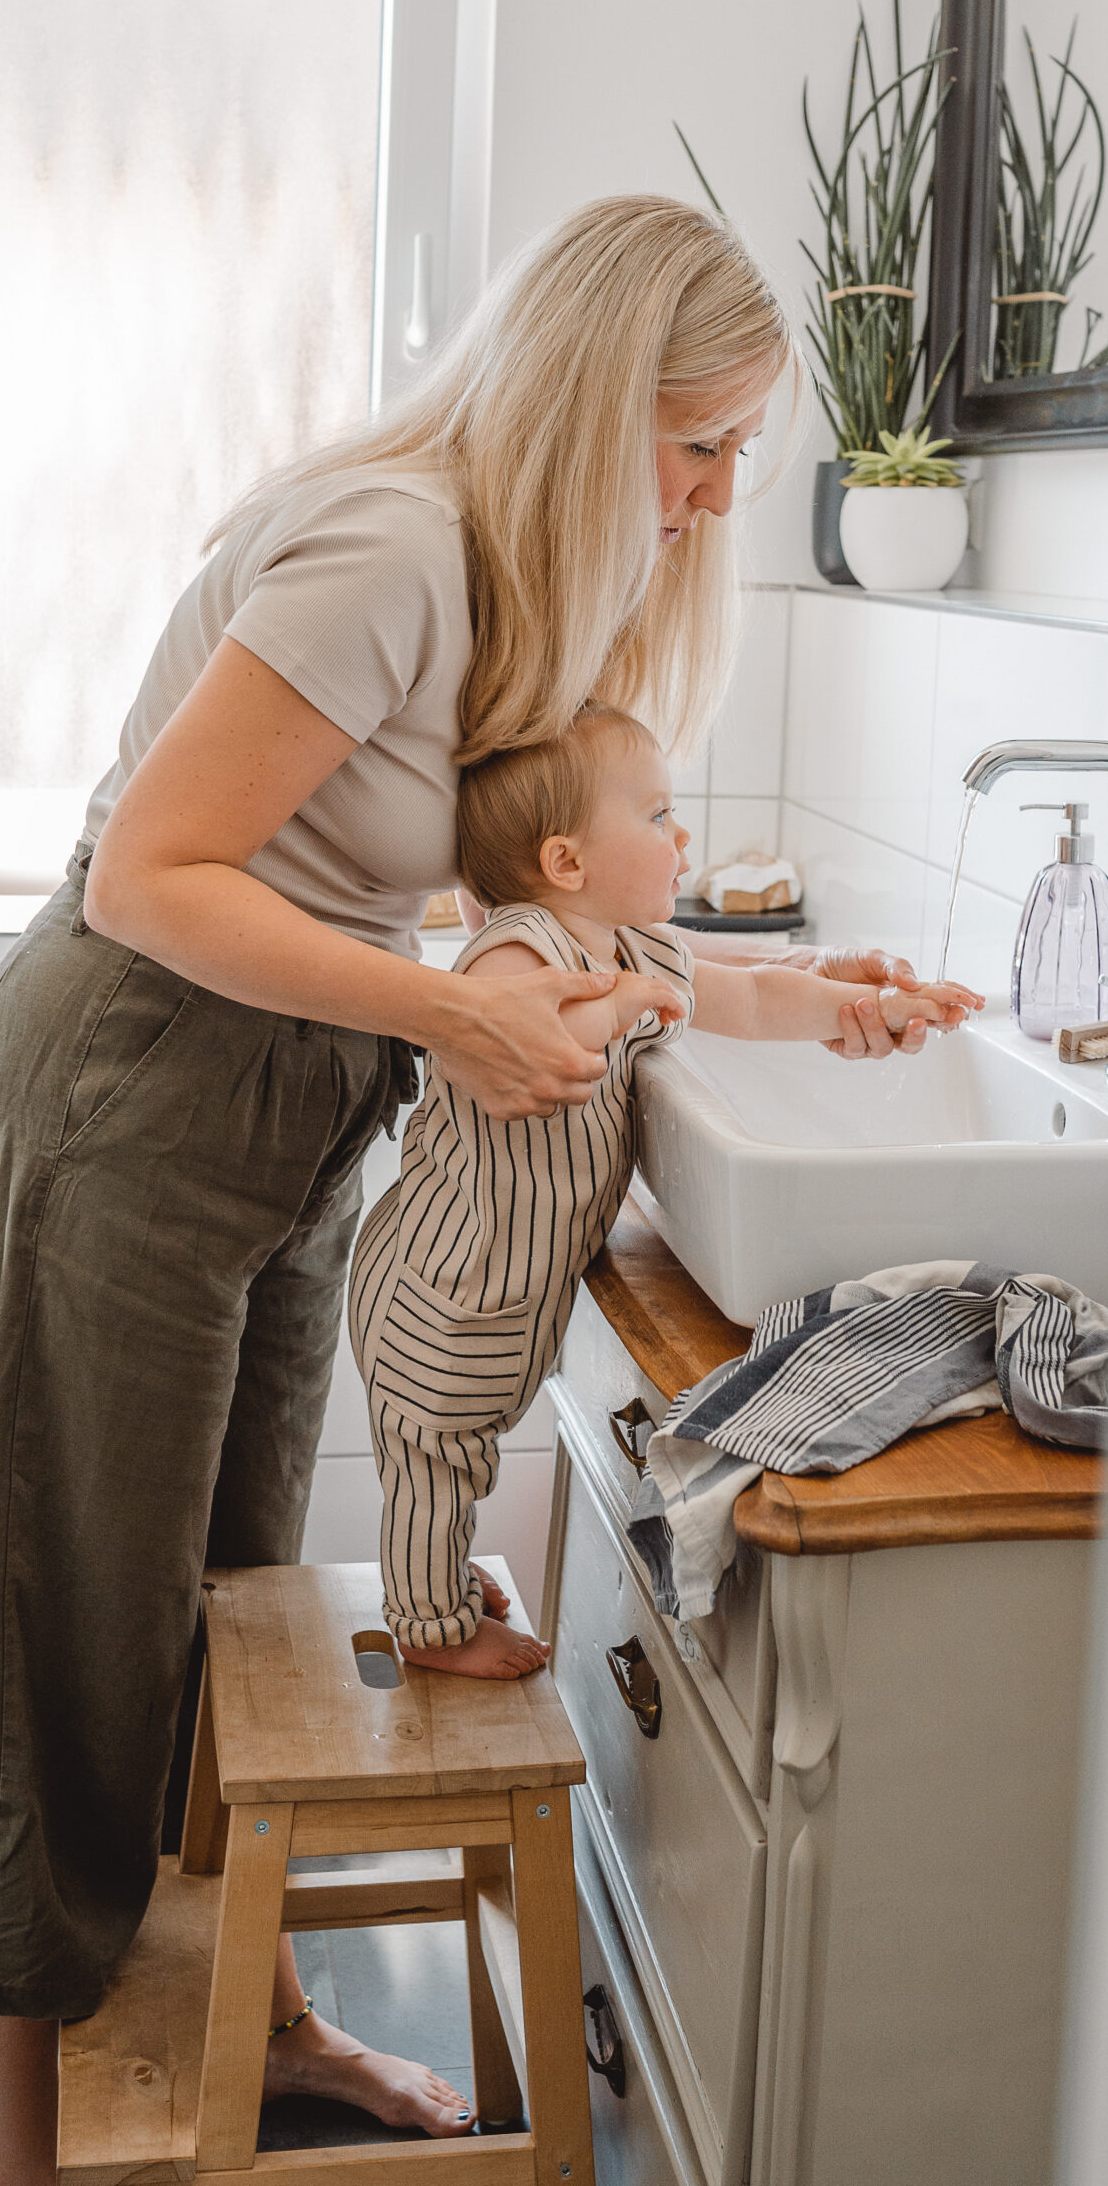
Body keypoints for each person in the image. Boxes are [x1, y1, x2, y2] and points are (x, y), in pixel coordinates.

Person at [0, 194, 949, 2183]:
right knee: (68, 1658)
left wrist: (789, 992)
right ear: (585, 397)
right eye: (699, 441)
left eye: (743, 451)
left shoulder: (511, 583)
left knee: (227, 1622)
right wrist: (449, 1023)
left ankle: (270, 2029)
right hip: (127, 1082)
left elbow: (519, 912)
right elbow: (150, 874)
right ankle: (11, 2161)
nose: (722, 497)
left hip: (290, 1102)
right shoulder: (389, 542)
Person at [353, 702, 983, 1676]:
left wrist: (862, 1003)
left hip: (506, 1279)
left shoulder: (635, 945)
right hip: (448, 1276)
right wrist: (617, 1006)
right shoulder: (516, 950)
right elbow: (541, 1035)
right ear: (565, 863)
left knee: (458, 1443)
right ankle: (425, 1622)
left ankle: (430, 1574)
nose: (680, 835)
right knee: (436, 1443)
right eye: (655, 816)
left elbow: (757, 997)